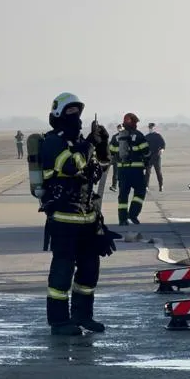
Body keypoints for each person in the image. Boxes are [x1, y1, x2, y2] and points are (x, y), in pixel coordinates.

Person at [39, 92, 119, 336]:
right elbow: (70, 165)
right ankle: (59, 321)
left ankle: (83, 315)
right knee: (62, 272)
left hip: (88, 218)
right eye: (70, 112)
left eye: (78, 112)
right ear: (58, 114)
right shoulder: (53, 142)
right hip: (64, 219)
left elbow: (98, 169)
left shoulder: (80, 142)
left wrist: (102, 145)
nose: (76, 117)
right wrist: (89, 145)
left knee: (89, 270)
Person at [109, 113, 151, 225]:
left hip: (122, 171)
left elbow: (111, 151)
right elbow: (146, 152)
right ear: (133, 123)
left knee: (123, 196)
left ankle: (122, 219)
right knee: (140, 192)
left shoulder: (116, 137)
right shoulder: (139, 135)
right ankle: (133, 214)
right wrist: (146, 161)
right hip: (136, 171)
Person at [144, 122, 166, 192]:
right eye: (150, 127)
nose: (151, 129)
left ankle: (161, 185)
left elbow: (163, 144)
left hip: (156, 156)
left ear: (154, 128)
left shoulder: (158, 136)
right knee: (147, 172)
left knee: (158, 172)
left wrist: (162, 150)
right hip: (148, 157)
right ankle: (146, 186)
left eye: (152, 127)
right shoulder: (146, 136)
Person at [108, 124, 122, 192]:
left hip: (121, 157)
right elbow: (110, 147)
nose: (120, 129)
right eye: (119, 128)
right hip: (118, 157)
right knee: (116, 173)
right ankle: (114, 186)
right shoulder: (115, 136)